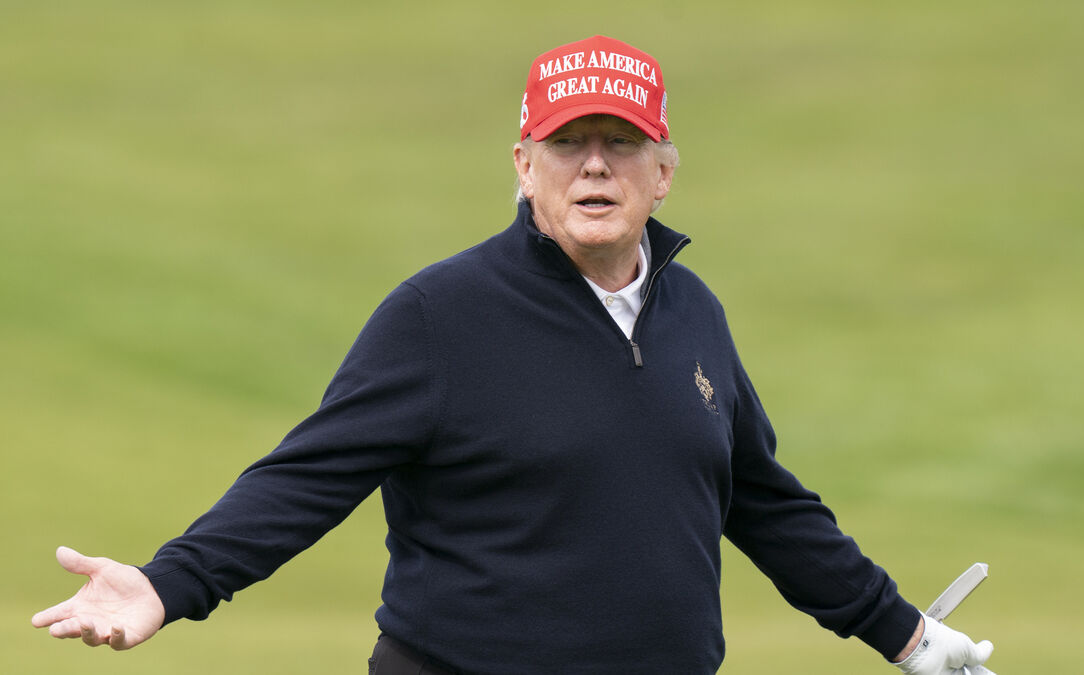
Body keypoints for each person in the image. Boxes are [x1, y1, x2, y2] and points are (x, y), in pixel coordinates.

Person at [32, 35, 997, 674]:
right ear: (524, 166)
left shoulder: (692, 312)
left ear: (663, 173)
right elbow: (306, 478)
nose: (594, 164)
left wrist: (904, 632)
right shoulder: (440, 315)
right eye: (567, 141)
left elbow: (762, 501)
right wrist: (169, 582)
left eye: (620, 142)